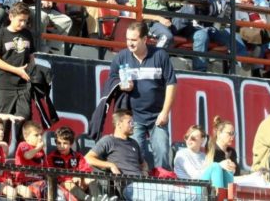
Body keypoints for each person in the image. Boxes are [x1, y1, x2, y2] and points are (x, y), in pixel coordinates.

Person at [105, 21, 177, 170]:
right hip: (133, 117)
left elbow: (171, 84)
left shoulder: (160, 55)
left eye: (134, 40)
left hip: (157, 116)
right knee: (134, 156)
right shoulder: (121, 57)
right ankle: (137, 182)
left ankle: (162, 181)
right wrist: (120, 85)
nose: (129, 43)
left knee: (163, 152)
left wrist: (165, 112)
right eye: (127, 39)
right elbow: (111, 79)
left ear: (145, 39)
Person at [85, 109, 198, 201]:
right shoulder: (108, 140)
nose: (133, 125)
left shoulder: (134, 143)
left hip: (146, 185)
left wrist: (144, 171)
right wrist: (111, 165)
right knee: (163, 196)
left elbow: (143, 163)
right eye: (130, 122)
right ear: (119, 124)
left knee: (191, 195)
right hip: (129, 187)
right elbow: (88, 158)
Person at [0, 1, 37, 128]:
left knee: (24, 121)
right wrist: (16, 70)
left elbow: (31, 57)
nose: (23, 24)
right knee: (2, 124)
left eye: (25, 21)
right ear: (11, 17)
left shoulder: (27, 34)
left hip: (23, 86)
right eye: (20, 20)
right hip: (4, 85)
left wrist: (32, 71)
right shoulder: (1, 34)